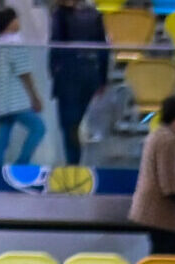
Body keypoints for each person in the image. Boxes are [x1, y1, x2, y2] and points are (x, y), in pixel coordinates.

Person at [129, 94, 175, 258]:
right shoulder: (168, 141)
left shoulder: (158, 135)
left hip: (155, 211)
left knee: (164, 253)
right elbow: (169, 180)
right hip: (161, 212)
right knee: (169, 257)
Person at [47, 0, 108, 166]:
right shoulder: (95, 14)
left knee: (70, 125)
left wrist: (53, 70)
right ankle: (80, 164)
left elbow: (55, 45)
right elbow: (103, 49)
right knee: (80, 124)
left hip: (68, 77)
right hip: (90, 74)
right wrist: (102, 79)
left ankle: (74, 164)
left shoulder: (59, 15)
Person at [0, 8, 46, 165]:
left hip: (0, 101)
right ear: (9, 23)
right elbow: (24, 72)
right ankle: (22, 162)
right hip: (17, 101)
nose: (18, 22)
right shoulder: (14, 43)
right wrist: (35, 97)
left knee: (2, 138)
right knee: (38, 128)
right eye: (16, 19)